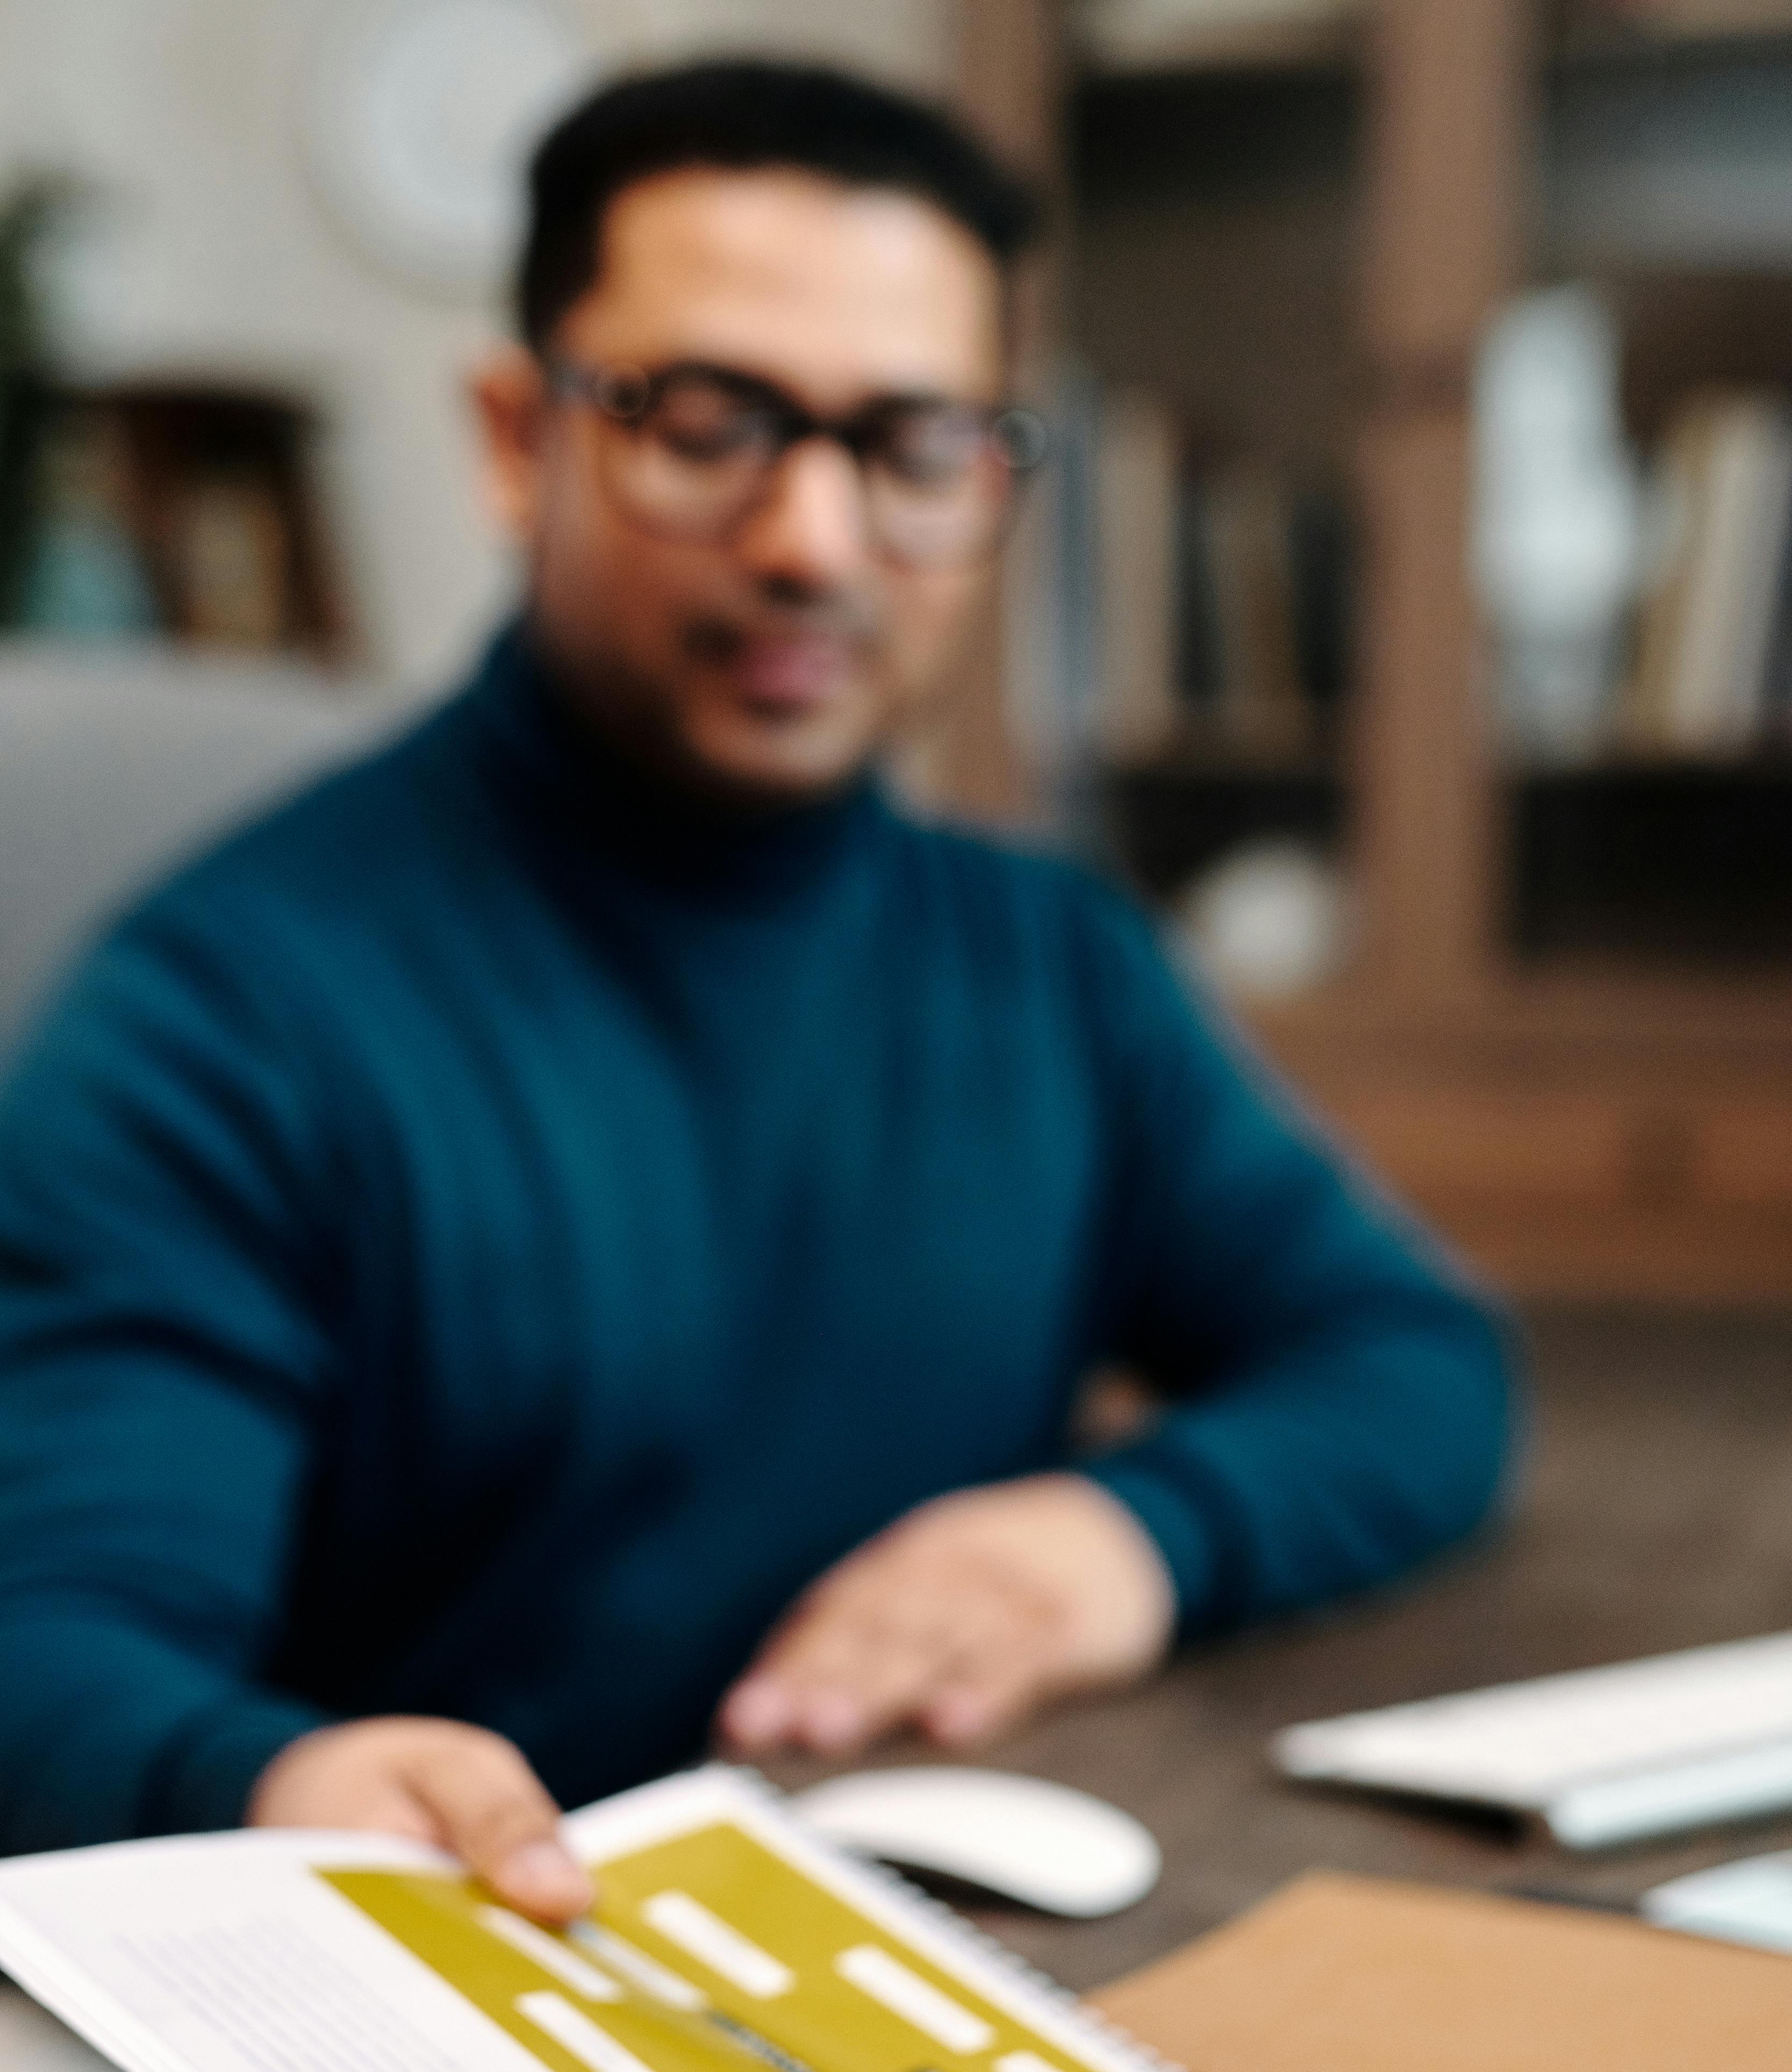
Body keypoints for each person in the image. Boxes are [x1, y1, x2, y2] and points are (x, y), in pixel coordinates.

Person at [0, 60, 1513, 1912]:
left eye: (915, 444)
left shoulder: (1051, 957)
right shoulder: (217, 1022)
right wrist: (263, 1774)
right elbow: (54, 1641)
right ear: (514, 440)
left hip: (960, 1959)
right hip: (486, 2007)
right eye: (709, 419)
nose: (813, 538)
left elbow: (1416, 1361)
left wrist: (1127, 1536)